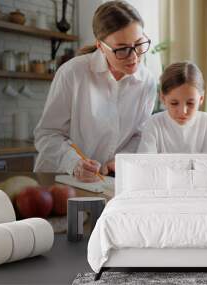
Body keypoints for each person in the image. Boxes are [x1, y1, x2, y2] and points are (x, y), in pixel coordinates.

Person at [34, 1, 156, 182]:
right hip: (60, 179)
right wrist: (74, 164)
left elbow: (139, 134)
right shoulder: (72, 73)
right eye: (122, 49)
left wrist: (121, 160)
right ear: (100, 46)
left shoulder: (147, 81)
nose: (134, 56)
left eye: (139, 44)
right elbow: (47, 135)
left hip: (107, 182)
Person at [137, 61, 207, 153]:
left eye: (190, 103)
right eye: (174, 103)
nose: (183, 111)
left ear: (201, 99)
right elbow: (144, 166)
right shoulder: (154, 125)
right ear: (163, 98)